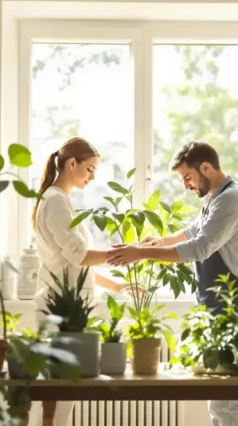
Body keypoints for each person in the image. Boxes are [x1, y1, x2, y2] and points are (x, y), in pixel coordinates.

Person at [106, 140, 238, 426]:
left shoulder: (232, 199)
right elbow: (193, 230)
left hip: (235, 313)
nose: (186, 185)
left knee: (226, 404)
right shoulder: (216, 199)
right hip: (225, 312)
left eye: (187, 177)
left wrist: (141, 253)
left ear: (206, 167)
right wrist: (159, 241)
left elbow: (200, 247)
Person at [32, 136, 137, 426]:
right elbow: (80, 256)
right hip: (57, 310)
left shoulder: (64, 201)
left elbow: (76, 265)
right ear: (71, 163)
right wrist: (124, 254)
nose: (92, 176)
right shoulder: (55, 202)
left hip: (70, 309)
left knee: (66, 396)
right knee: (56, 394)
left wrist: (115, 286)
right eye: (89, 169)